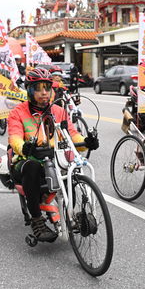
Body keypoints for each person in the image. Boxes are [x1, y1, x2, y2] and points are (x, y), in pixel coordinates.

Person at [7, 68, 99, 241]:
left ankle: (71, 214)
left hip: (54, 161)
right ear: (29, 90)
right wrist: (25, 148)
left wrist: (86, 142)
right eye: (38, 88)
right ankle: (36, 220)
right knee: (32, 167)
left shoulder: (58, 110)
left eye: (47, 88)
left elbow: (72, 134)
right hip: (26, 162)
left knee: (71, 167)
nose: (44, 93)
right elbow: (15, 138)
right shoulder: (17, 112)